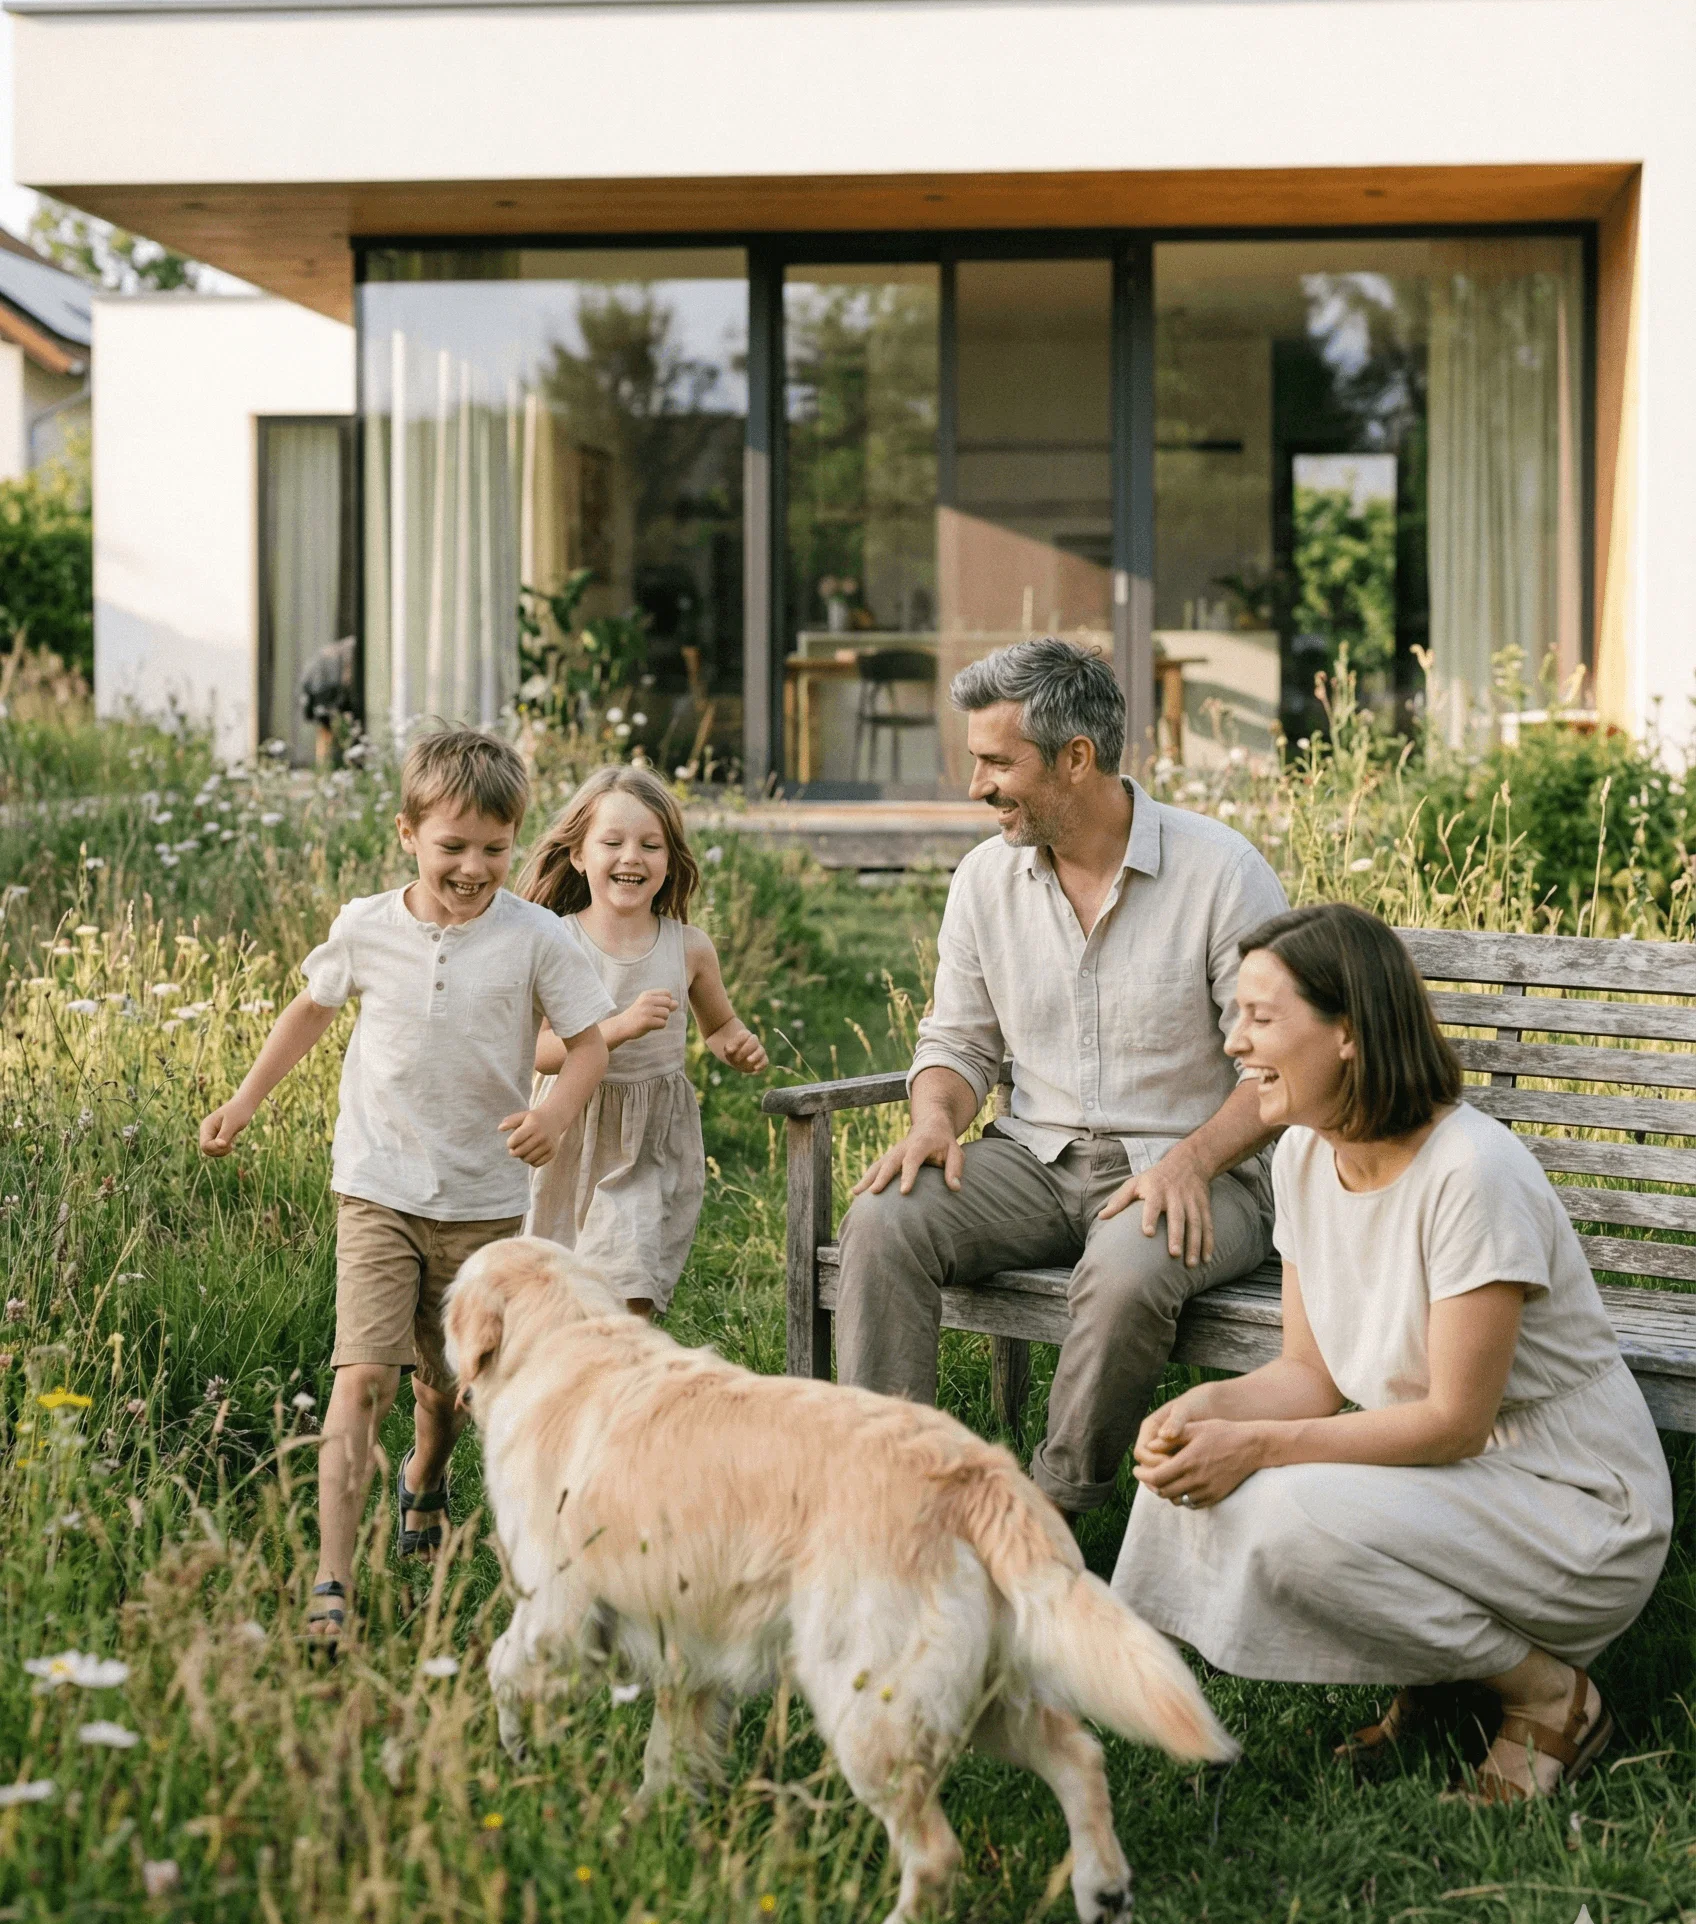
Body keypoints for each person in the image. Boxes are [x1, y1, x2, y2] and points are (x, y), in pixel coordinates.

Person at [1115, 901, 1673, 1801]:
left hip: (1573, 1505)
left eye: (1262, 1019)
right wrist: (1203, 1413)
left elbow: (1456, 1421)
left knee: (1287, 1511)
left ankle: (1548, 1700)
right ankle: (1446, 1673)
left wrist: (1257, 1447)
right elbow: (1310, 1377)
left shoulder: (1471, 1174)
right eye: (1237, 1017)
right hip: (1454, 1488)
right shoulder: (1303, 1157)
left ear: (1348, 1034)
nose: (1236, 1045)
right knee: (1208, 1475)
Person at [835, 637, 1289, 1520]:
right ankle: (895, 1500)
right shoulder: (983, 880)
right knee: (885, 1220)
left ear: (1075, 759)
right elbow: (960, 1043)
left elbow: (1275, 1069)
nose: (977, 787)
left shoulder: (1221, 872)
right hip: (1035, 1160)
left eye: (997, 762)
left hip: (1201, 1170)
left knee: (1124, 1270)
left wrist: (1191, 1163)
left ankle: (1045, 1515)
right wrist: (935, 1120)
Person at [199, 726, 614, 1653]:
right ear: (407, 834)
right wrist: (243, 1101)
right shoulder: (365, 928)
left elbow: (588, 1044)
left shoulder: (536, 936)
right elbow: (310, 1008)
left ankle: (427, 1475)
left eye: (495, 850)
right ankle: (331, 1582)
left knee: (454, 1388)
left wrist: (554, 1118)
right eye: (452, 848)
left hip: (484, 1201)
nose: (474, 868)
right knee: (365, 1378)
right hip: (378, 1185)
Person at [520, 764, 767, 1316]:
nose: (632, 856)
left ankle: (623, 1390)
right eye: (613, 842)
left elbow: (719, 1025)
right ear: (579, 856)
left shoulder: (689, 948)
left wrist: (737, 1044)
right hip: (568, 1130)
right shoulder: (557, 941)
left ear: (670, 862)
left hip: (648, 1142)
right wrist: (618, 1027)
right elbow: (538, 1052)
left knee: (629, 1291)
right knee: (553, 1297)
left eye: (650, 845)